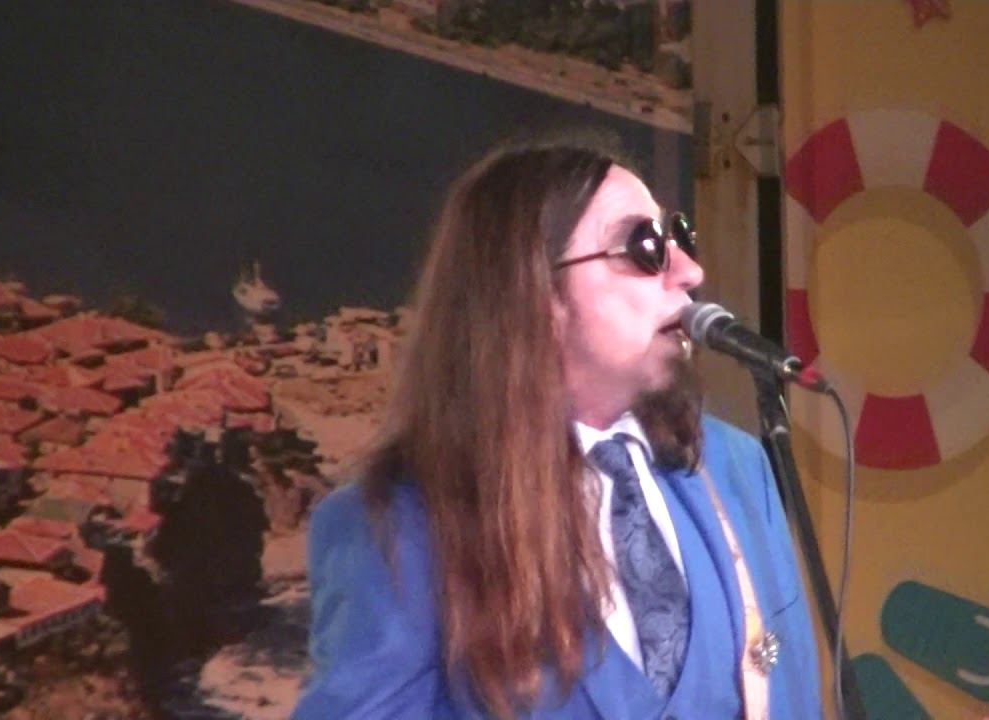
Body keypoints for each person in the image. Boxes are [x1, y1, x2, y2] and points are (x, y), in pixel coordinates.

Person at [292, 135, 821, 719]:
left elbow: (794, 696)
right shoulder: (397, 525)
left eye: (679, 237)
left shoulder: (738, 467)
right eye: (645, 245)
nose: (690, 270)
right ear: (535, 291)